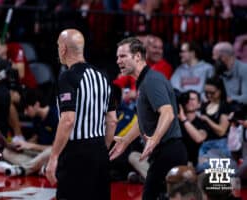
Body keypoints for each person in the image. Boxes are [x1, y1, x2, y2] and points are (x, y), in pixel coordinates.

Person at [110, 37, 187, 199]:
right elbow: (143, 120)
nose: (118, 61)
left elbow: (168, 113)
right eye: (117, 57)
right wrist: (125, 141)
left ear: (137, 56)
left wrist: (154, 139)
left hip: (168, 151)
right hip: (164, 152)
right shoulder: (144, 81)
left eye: (123, 56)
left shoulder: (152, 80)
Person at [45, 29, 117, 200]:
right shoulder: (104, 77)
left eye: (58, 46)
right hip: (100, 149)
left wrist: (54, 157)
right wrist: (102, 150)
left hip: (76, 153)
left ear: (63, 49)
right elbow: (112, 120)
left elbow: (68, 119)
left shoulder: (67, 77)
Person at [0, 28, 38, 141]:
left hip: (27, 89)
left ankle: (19, 136)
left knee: (5, 97)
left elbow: (21, 74)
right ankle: (1, 136)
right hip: (6, 90)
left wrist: (5, 59)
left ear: (3, 39)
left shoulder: (15, 48)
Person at [0, 88, 58, 176]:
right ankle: (39, 168)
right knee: (6, 152)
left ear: (36, 105)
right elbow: (36, 137)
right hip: (39, 155)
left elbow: (56, 148)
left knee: (50, 151)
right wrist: (22, 144)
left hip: (53, 154)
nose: (25, 113)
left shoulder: (56, 116)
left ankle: (22, 169)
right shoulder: (36, 118)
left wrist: (32, 146)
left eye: (27, 108)